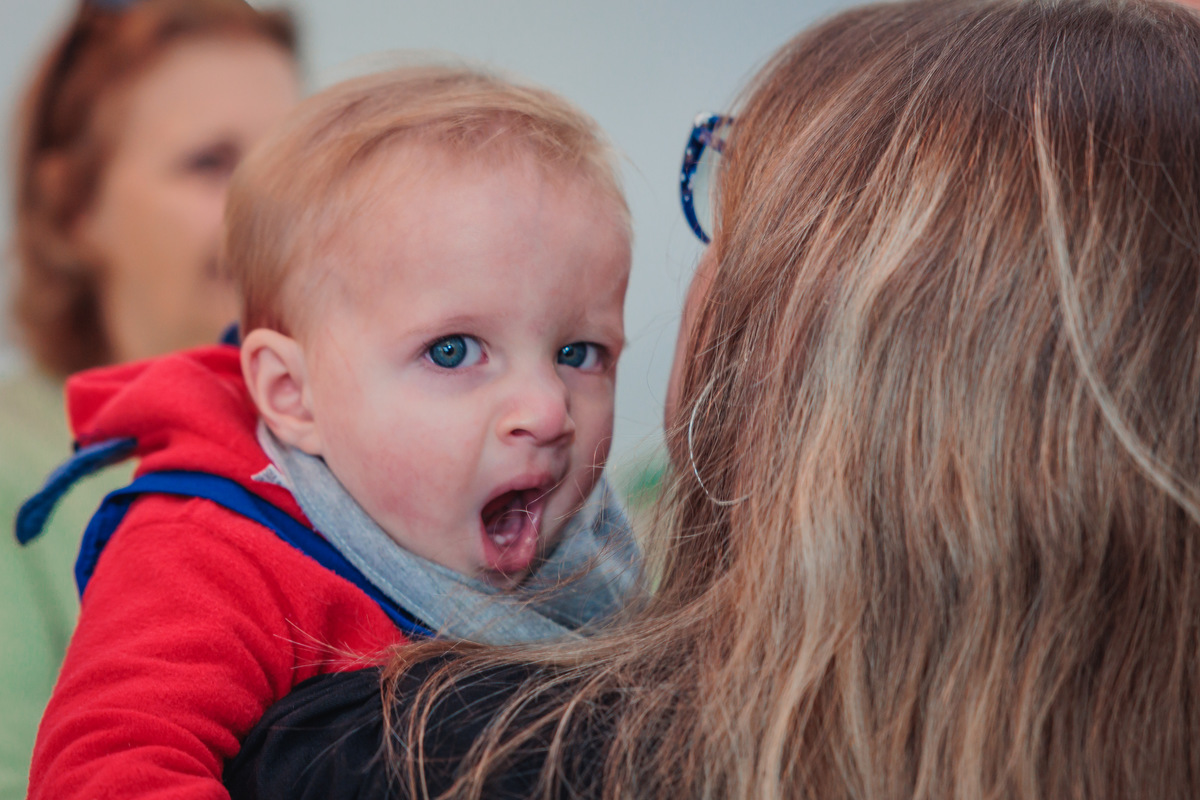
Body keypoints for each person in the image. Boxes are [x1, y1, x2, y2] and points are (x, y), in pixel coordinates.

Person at [225, 0, 1200, 797]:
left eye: (734, 203)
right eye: (454, 349)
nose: (547, 409)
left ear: (819, 345)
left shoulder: (399, 760)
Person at [25, 64, 638, 799]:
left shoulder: (587, 537)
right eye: (452, 351)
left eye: (579, 354)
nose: (546, 411)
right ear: (295, 396)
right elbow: (108, 766)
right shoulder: (211, 550)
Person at [1, 1, 298, 796]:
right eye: (210, 163)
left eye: (293, 162)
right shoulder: (12, 466)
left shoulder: (344, 443)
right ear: (74, 208)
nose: (274, 206)